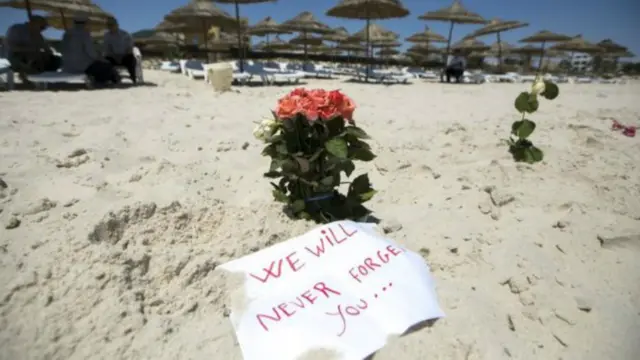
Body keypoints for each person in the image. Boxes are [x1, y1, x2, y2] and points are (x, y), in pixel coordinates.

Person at [61, 15, 120, 85]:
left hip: (67, 66)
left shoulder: (66, 34)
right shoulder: (85, 34)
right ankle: (105, 81)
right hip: (82, 67)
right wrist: (100, 58)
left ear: (74, 22)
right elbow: (91, 54)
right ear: (85, 23)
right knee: (107, 66)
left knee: (102, 65)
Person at [103, 17, 137, 83]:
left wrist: (122, 56)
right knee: (105, 61)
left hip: (125, 55)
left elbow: (130, 48)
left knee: (131, 59)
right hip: (113, 56)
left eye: (112, 25)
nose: (110, 27)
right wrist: (114, 56)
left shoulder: (125, 34)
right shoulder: (107, 36)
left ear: (117, 25)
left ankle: (133, 78)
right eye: (109, 25)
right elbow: (107, 49)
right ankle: (112, 79)